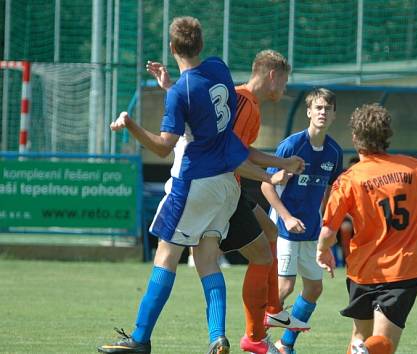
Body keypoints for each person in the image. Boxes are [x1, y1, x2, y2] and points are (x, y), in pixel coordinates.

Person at [97, 17, 289, 354]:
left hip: (194, 182)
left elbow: (162, 146)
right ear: (201, 44)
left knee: (166, 256)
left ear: (172, 48)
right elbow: (202, 107)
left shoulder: (181, 93)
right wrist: (169, 85)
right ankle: (218, 337)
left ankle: (140, 339)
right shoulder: (218, 69)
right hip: (225, 186)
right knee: (207, 259)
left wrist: (130, 124)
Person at [146, 49, 310, 354]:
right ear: (273, 75)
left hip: (229, 187)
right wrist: (271, 174)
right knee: (255, 255)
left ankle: (268, 315)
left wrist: (280, 164)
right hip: (220, 189)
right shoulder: (243, 102)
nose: (285, 89)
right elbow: (228, 153)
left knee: (267, 239)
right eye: (285, 81)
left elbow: (233, 145)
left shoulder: (246, 102)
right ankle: (255, 336)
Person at [316, 103, 417, 354]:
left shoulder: (349, 178)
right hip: (403, 269)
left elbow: (327, 232)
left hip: (362, 269)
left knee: (360, 335)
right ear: (388, 135)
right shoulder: (416, 168)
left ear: (355, 137)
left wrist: (322, 251)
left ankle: (361, 350)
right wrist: (414, 226)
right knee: (382, 345)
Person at [260, 88, 343, 354]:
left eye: (327, 109)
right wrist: (287, 217)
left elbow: (331, 189)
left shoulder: (334, 151)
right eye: (318, 108)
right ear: (308, 112)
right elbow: (266, 186)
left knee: (314, 288)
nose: (322, 112)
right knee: (284, 287)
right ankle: (255, 340)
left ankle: (286, 345)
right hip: (284, 228)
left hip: (311, 229)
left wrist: (325, 226)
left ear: (333, 115)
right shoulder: (292, 145)